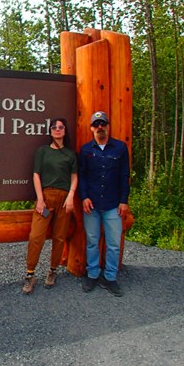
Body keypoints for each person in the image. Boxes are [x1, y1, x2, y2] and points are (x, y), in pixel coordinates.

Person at [22, 118, 78, 294]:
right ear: (50, 131)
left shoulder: (70, 155)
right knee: (36, 236)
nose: (57, 130)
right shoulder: (43, 152)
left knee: (59, 236)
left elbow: (74, 177)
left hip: (64, 199)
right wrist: (39, 199)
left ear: (65, 131)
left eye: (61, 127)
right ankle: (30, 274)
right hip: (45, 198)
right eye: (54, 127)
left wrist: (71, 196)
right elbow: (36, 175)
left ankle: (52, 270)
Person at [79, 111, 130, 297]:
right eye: (96, 124)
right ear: (91, 128)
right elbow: (82, 176)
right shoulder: (85, 150)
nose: (100, 127)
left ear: (108, 126)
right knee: (92, 241)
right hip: (91, 204)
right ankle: (92, 274)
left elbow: (125, 175)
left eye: (103, 124)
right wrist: (84, 197)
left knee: (113, 244)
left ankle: (110, 277)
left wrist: (124, 200)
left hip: (113, 204)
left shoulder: (120, 148)